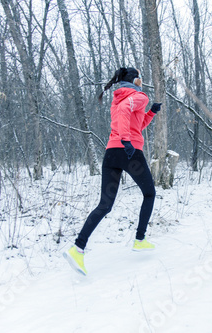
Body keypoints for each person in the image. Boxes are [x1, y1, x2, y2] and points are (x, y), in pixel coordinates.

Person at [63, 67, 161, 275]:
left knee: (105, 205)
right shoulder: (138, 96)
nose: (142, 82)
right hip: (129, 152)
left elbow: (135, 123)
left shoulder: (118, 99)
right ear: (135, 80)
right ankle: (140, 239)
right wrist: (126, 140)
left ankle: (78, 248)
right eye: (140, 79)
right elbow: (128, 118)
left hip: (111, 153)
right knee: (150, 194)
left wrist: (151, 112)